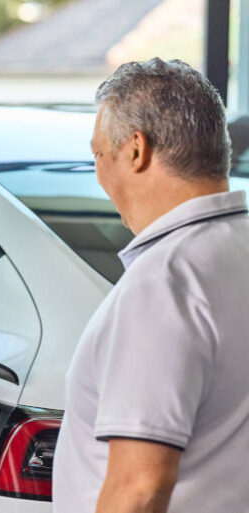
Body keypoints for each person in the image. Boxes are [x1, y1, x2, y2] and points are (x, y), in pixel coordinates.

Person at [52, 58, 249, 512]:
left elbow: (140, 488)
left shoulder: (165, 281)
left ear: (136, 150)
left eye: (98, 155)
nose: (98, 174)